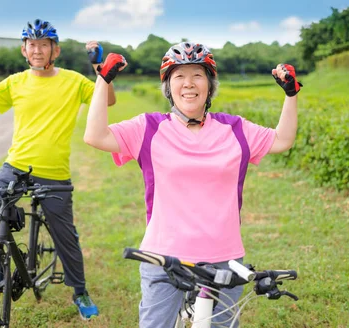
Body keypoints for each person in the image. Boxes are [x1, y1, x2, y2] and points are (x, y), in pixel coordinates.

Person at [84, 41, 302, 327]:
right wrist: (103, 80)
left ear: (210, 86)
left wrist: (290, 95)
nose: (189, 84)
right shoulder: (149, 128)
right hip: (163, 257)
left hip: (224, 258)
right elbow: (95, 135)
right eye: (179, 76)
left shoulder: (234, 129)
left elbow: (282, 140)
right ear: (168, 87)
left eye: (197, 75)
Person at [0, 18, 116, 320]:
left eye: (44, 44)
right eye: (32, 45)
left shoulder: (72, 80)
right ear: (24, 50)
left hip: (54, 172)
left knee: (65, 235)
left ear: (55, 50)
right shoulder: (16, 82)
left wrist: (98, 68)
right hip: (15, 166)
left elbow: (107, 99)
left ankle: (79, 291)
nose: (38, 49)